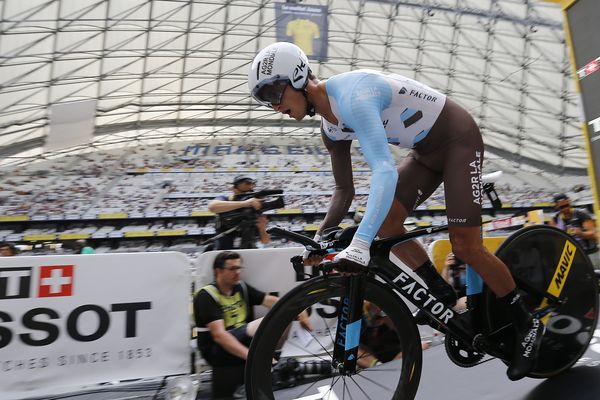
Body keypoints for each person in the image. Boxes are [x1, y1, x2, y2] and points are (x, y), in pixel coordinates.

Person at [248, 42, 543, 380]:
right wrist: (320, 236)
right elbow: (344, 190)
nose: (274, 105)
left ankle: (527, 321)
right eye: (264, 98)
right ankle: (441, 291)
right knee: (387, 223)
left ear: (300, 76)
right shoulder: (330, 128)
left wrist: (359, 244)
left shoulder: (353, 97)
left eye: (273, 91)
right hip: (424, 152)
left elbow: (384, 171)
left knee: (465, 246)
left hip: (458, 140)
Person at [193, 251, 311, 369]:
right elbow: (219, 336)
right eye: (233, 269)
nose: (238, 272)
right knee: (268, 321)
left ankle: (275, 363)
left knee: (284, 314)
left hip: (241, 338)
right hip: (216, 350)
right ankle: (270, 362)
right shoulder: (206, 295)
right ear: (218, 271)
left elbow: (273, 301)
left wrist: (300, 312)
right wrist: (253, 358)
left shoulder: (240, 287)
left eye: (239, 268)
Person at [207, 175, 270, 250]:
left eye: (249, 192)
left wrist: (262, 228)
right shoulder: (226, 199)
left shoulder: (254, 208)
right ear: (234, 189)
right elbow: (212, 207)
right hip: (224, 252)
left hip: (248, 252)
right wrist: (244, 203)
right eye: (243, 192)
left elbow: (265, 241)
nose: (246, 195)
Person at [549, 193, 598, 267]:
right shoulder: (554, 220)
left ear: (569, 202)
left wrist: (581, 234)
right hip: (570, 259)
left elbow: (594, 234)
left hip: (588, 255)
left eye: (566, 205)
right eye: (561, 207)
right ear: (556, 206)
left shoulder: (580, 214)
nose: (565, 209)